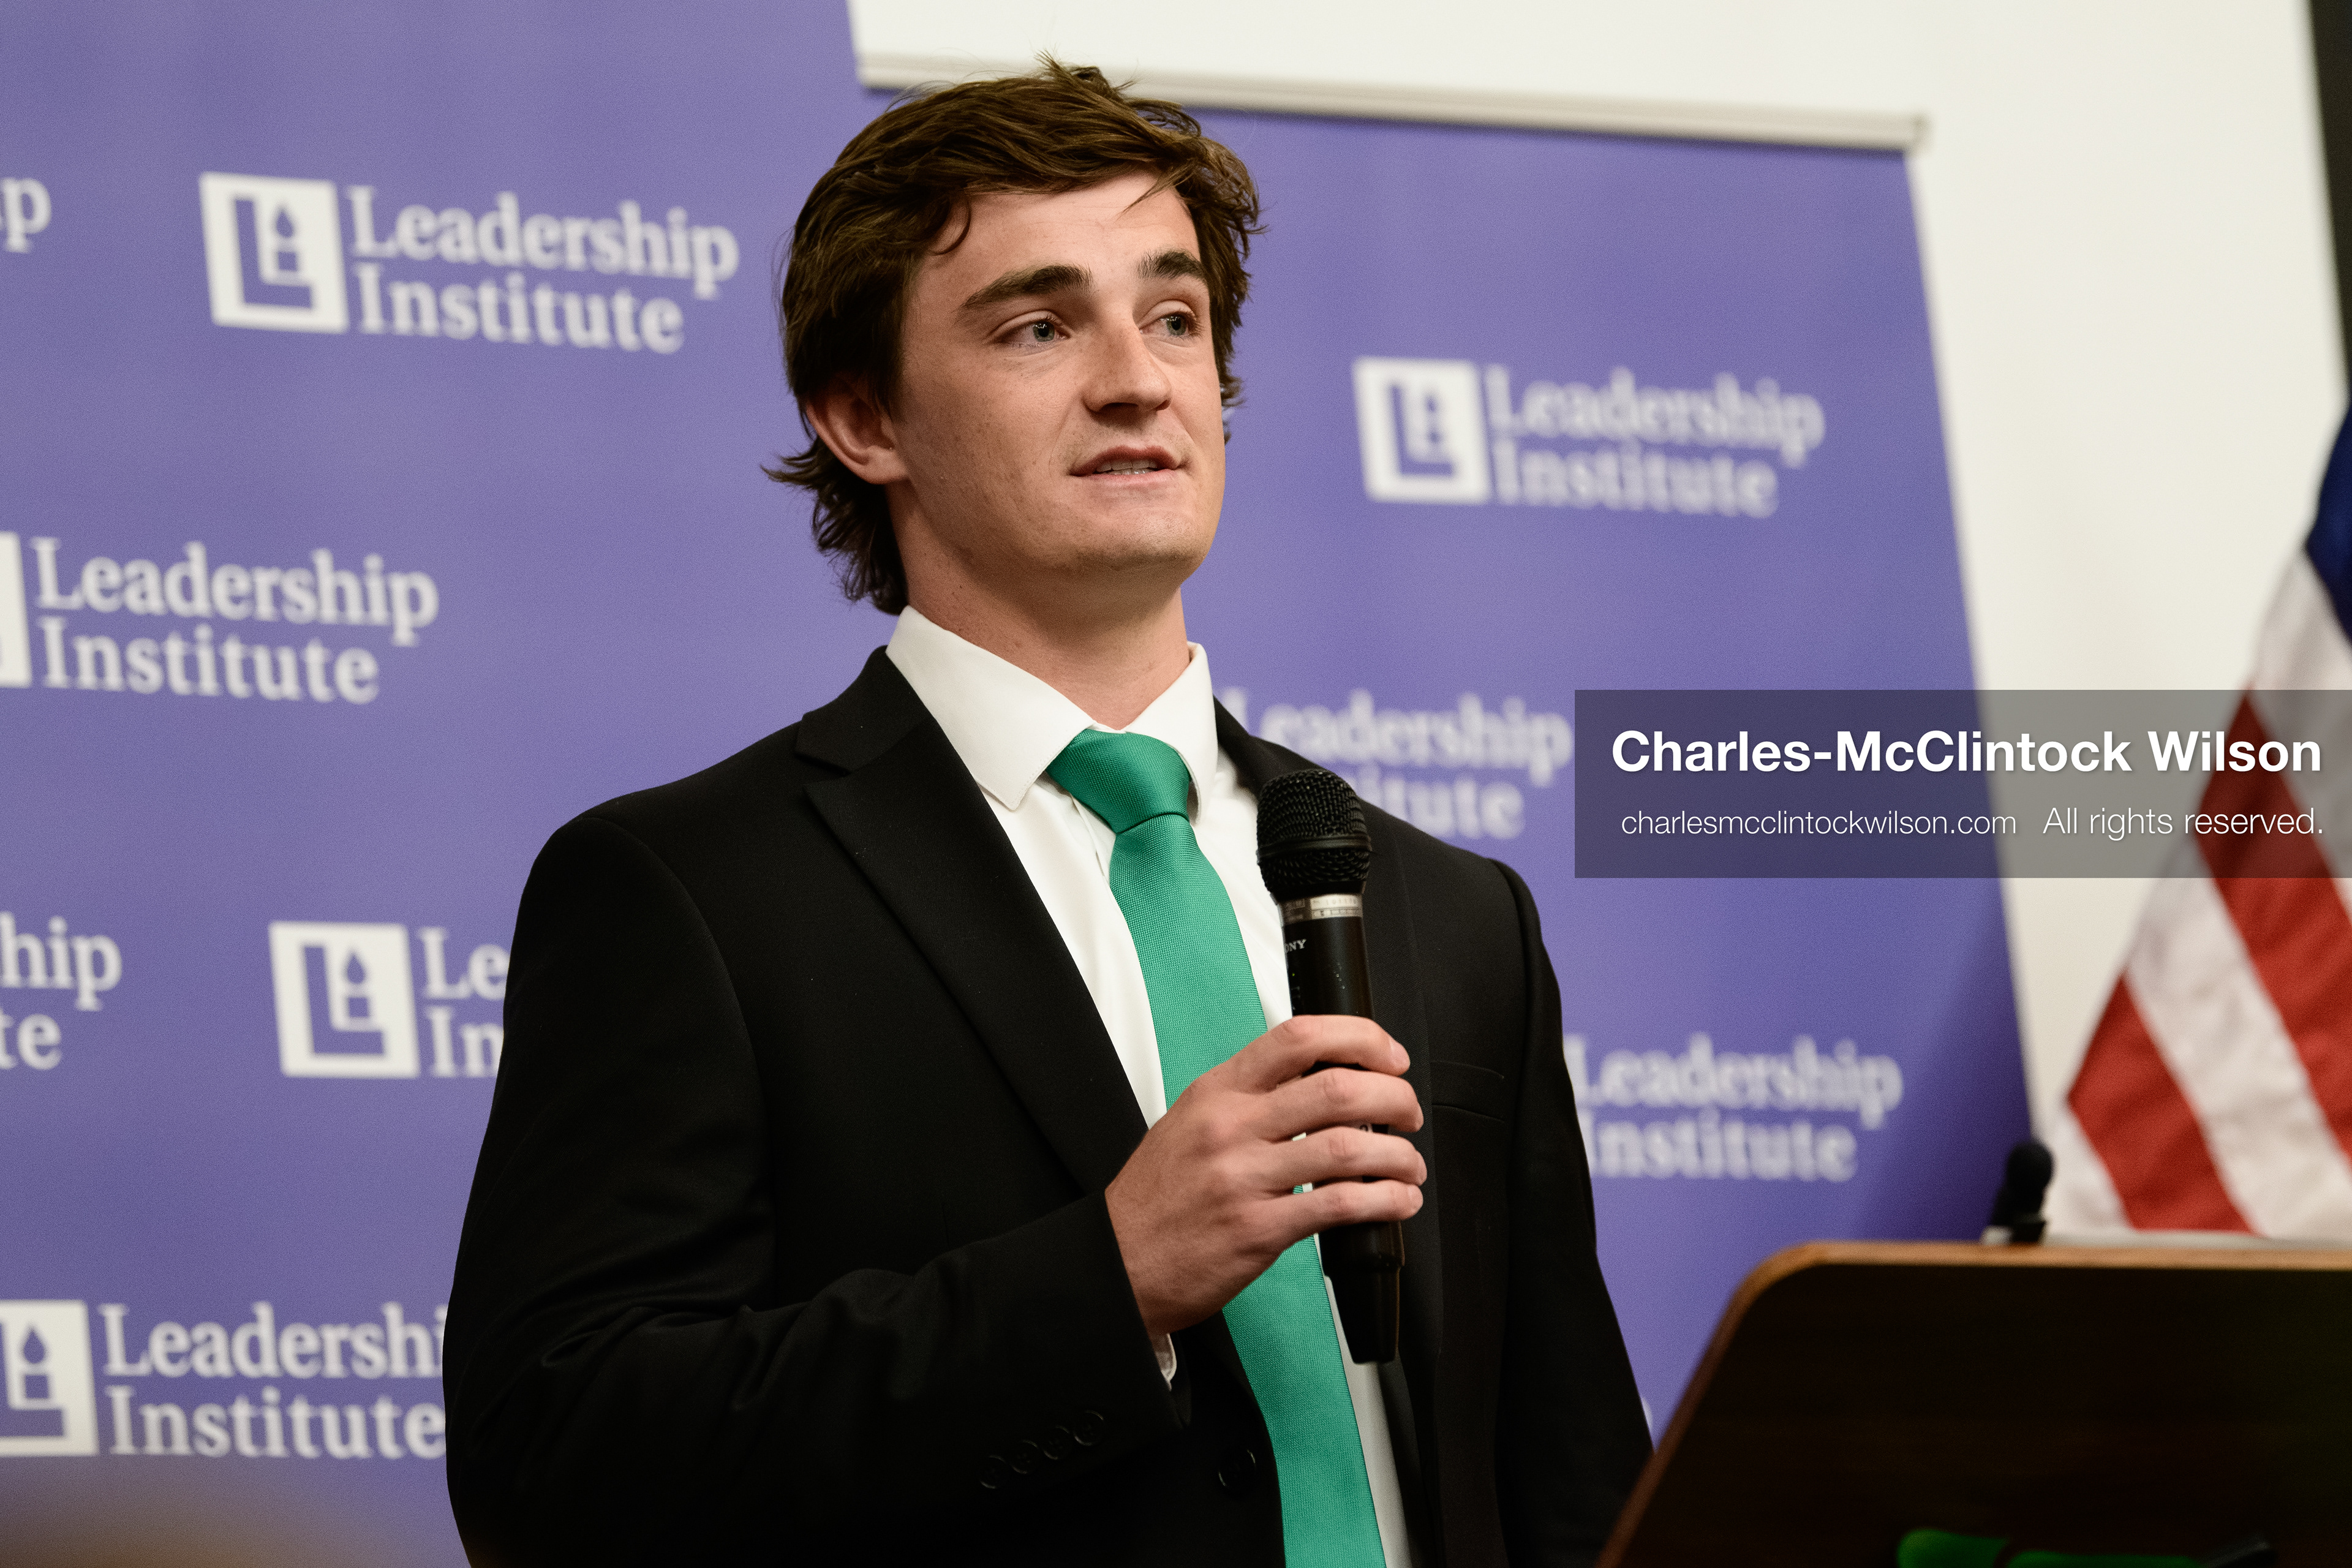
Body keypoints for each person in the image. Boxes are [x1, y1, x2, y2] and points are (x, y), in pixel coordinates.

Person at [443, 61, 1649, 1567]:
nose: (1139, 379)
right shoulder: (690, 892)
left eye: (1173, 316)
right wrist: (1110, 1276)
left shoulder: (1446, 908)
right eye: (1037, 324)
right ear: (862, 416)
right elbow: (553, 1459)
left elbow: (1571, 1471)